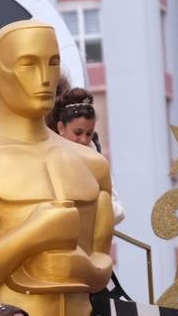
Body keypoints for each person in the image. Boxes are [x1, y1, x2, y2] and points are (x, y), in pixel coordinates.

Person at [45, 85, 125, 224]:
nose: (84, 140)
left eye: (89, 134)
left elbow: (117, 212)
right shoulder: (45, 157)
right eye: (78, 132)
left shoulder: (97, 161)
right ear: (61, 128)